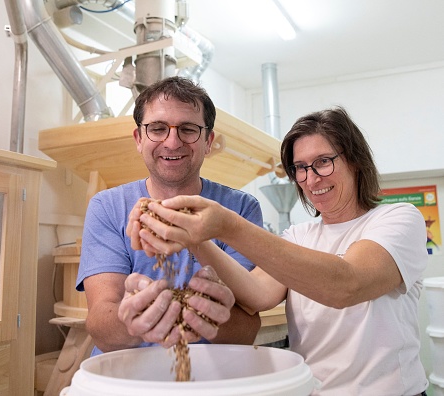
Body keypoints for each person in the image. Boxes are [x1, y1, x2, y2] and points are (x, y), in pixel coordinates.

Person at [129, 106, 429, 395]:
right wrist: (195, 237)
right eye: (300, 168)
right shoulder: (298, 236)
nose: (311, 179)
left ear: (355, 161)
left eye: (323, 161)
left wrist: (226, 225)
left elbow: (347, 284)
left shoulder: (398, 219)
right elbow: (257, 293)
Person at [76, 76, 263, 356]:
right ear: (139, 139)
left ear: (208, 141)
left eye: (188, 129)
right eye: (158, 128)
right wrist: (133, 320)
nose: (172, 142)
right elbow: (101, 325)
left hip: (210, 374)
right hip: (128, 375)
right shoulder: (108, 206)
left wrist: (207, 315)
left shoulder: (240, 209)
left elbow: (247, 329)